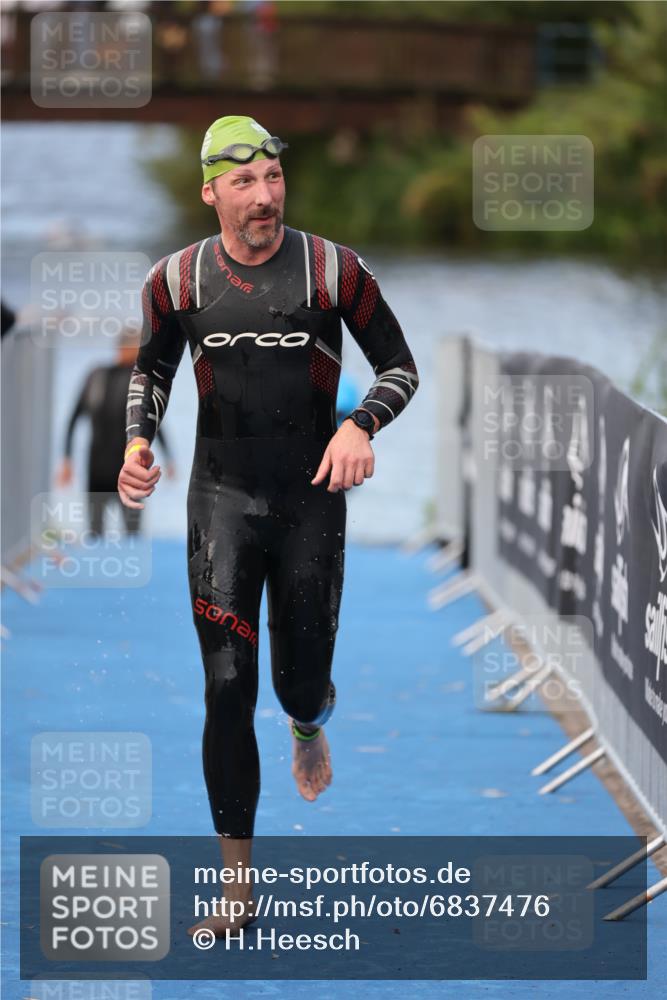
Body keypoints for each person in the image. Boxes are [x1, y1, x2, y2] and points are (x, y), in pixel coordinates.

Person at [118, 116, 419, 936]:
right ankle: (238, 888)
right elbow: (150, 369)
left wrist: (360, 425)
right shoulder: (174, 281)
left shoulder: (333, 270)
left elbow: (399, 366)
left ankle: (308, 719)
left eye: (273, 179)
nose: (264, 198)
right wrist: (138, 443)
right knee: (225, 688)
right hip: (220, 499)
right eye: (244, 183)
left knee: (294, 682)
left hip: (310, 496)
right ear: (211, 190)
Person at [57, 327, 175, 536]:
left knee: (132, 532)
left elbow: (154, 422)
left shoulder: (133, 381)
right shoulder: (97, 377)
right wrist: (67, 460)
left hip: (129, 468)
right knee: (96, 531)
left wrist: (169, 458)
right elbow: (74, 419)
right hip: (99, 469)